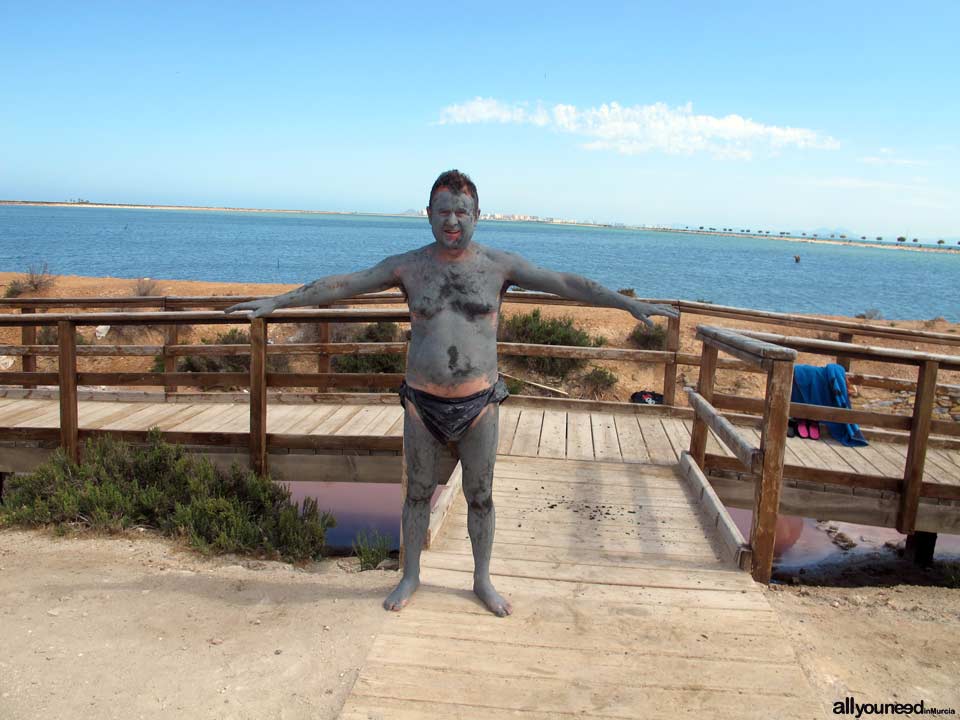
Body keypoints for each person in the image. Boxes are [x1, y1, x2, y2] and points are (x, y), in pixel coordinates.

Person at [226, 169, 678, 616]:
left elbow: (567, 283)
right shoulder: (408, 267)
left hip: (480, 402)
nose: (452, 221)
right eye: (444, 211)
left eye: (462, 211)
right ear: (428, 215)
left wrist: (626, 303)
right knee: (417, 494)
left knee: (481, 495)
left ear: (477, 215)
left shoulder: (500, 266)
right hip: (423, 403)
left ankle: (482, 580)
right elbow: (343, 284)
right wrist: (276, 303)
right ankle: (410, 575)